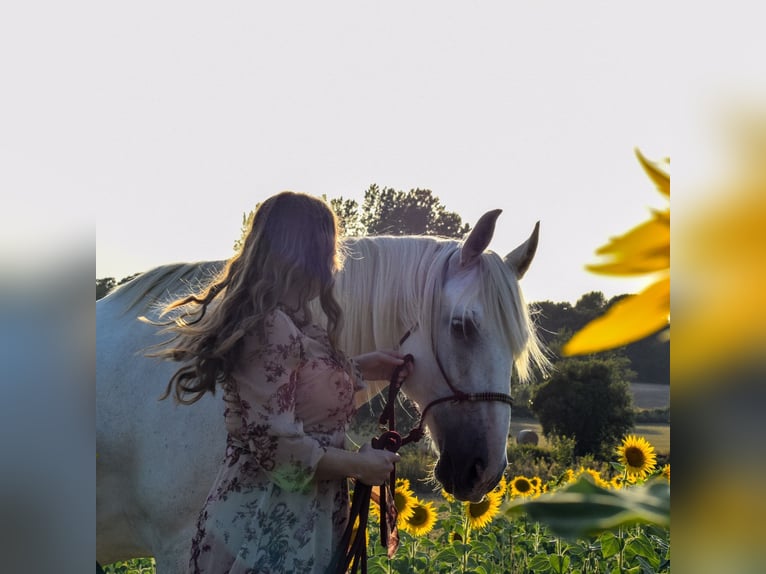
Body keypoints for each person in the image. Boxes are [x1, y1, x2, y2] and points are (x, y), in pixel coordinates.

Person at [148, 191, 410, 573]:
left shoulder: (292, 321)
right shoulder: (271, 327)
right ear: (310, 253)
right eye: (331, 249)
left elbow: (295, 388)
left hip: (296, 520)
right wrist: (359, 466)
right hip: (268, 526)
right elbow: (279, 450)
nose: (335, 262)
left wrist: (358, 368)